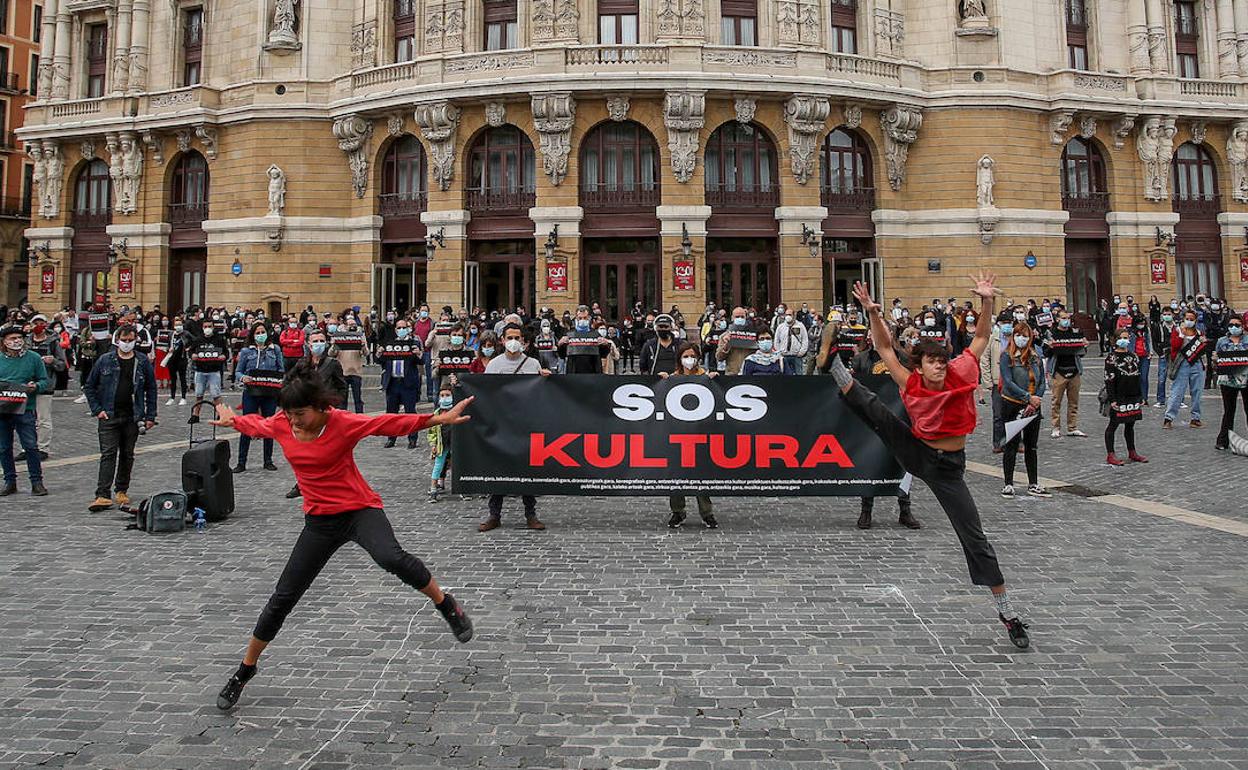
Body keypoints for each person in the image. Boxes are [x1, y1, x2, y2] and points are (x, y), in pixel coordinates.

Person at [209, 370, 475, 712]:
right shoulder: (283, 423)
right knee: (283, 598)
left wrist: (437, 419)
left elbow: (386, 423)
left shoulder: (341, 422)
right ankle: (245, 670)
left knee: (390, 557)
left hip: (359, 511)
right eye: (289, 414)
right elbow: (257, 426)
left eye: (300, 413)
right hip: (320, 521)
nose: (294, 421)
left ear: (319, 407)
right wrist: (233, 420)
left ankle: (446, 604)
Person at [830, 275, 1029, 649]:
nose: (940, 366)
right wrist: (873, 313)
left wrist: (987, 302)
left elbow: (981, 337)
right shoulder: (910, 381)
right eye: (932, 362)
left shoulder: (961, 371)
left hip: (948, 468)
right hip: (918, 451)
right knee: (880, 414)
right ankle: (838, 372)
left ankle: (1008, 613)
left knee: (974, 536)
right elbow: (885, 348)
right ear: (919, 366)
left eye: (942, 361)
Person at [480, 323, 550, 532]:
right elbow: (485, 392)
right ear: (502, 340)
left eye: (517, 338)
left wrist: (547, 380)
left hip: (525, 424)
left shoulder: (533, 364)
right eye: (509, 337)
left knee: (526, 469)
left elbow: (542, 394)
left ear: (523, 341)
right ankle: (494, 514)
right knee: (498, 468)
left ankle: (531, 514)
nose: (513, 341)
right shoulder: (494, 365)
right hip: (501, 424)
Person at [850, 330, 921, 531]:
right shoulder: (861, 360)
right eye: (874, 333)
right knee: (870, 462)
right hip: (872, 416)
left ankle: (905, 509)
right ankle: (866, 509)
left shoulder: (904, 359)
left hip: (900, 416)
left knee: (904, 464)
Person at [83, 324, 159, 511]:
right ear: (117, 340)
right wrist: (97, 409)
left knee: (127, 454)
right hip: (109, 414)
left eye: (130, 340)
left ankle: (121, 490)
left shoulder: (142, 361)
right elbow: (90, 386)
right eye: (124, 340)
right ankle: (102, 494)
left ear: (135, 340)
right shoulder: (105, 360)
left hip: (132, 415)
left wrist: (150, 415)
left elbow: (151, 388)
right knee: (108, 454)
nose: (127, 343)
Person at [659, 342, 717, 529]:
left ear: (698, 358)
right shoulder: (674, 378)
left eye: (692, 356)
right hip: (677, 435)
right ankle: (678, 511)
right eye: (685, 356)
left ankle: (707, 512)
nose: (689, 360)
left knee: (701, 474)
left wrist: (713, 380)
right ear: (680, 359)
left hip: (700, 434)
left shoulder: (704, 377)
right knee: (676, 474)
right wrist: (663, 382)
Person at [999, 321, 1050, 498]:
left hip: (1033, 405)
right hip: (1013, 404)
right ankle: (1008, 483)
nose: (1021, 338)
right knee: (1011, 444)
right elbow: (1008, 381)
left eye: (1025, 335)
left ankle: (1033, 483)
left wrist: (1036, 399)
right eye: (1018, 335)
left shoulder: (1035, 356)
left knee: (1031, 445)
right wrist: (1027, 397)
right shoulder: (1007, 356)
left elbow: (1042, 381)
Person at [0, 325, 48, 497]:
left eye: (19, 338)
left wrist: (36, 386)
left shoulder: (34, 358)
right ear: (4, 342)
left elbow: (44, 381)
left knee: (30, 446)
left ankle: (37, 482)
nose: (17, 341)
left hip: (25, 409)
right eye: (12, 338)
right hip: (3, 410)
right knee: (4, 448)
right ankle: (10, 481)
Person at [233, 322, 285, 473]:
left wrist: (280, 380)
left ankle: (268, 460)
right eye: (257, 332)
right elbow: (238, 371)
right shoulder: (246, 351)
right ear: (253, 335)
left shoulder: (275, 349)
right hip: (251, 392)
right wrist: (243, 378)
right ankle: (241, 462)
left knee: (269, 426)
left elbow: (281, 369)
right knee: (246, 425)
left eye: (263, 332)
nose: (260, 335)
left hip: (269, 392)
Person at [1103, 329, 1148, 466]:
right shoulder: (1111, 358)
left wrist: (1141, 396)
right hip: (1119, 396)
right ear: (1116, 340)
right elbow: (1109, 380)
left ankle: (1132, 451)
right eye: (1122, 338)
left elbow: (1138, 376)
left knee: (1130, 424)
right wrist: (1112, 399)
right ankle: (1110, 454)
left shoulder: (1133, 356)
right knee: (1113, 424)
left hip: (1132, 395)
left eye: (1126, 338)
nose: (1125, 340)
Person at [378, 319, 424, 449]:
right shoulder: (390, 343)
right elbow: (381, 361)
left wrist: (419, 354)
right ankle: (391, 438)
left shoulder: (413, 343)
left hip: (408, 383)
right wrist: (379, 354)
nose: (402, 330)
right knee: (391, 412)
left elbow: (421, 362)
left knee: (410, 412)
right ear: (395, 330)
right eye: (399, 328)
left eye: (404, 327)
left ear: (408, 329)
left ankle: (412, 438)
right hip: (393, 382)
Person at [25, 316, 65, 461]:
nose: (38, 326)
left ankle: (42, 448)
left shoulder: (53, 342)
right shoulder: (26, 341)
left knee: (43, 419)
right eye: (35, 323)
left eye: (41, 323)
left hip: (45, 384)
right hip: (27, 384)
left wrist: (52, 361)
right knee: (26, 419)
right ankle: (27, 447)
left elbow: (62, 364)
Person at [1044, 309, 1087, 439]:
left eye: (1068, 318)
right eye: (1063, 318)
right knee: (1056, 401)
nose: (1066, 321)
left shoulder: (1075, 333)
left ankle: (1072, 427)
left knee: (1074, 401)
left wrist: (1084, 346)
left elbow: (1081, 352)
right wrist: (1050, 347)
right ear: (1057, 319)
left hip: (1074, 370)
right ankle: (1056, 427)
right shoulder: (1052, 333)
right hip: (1059, 371)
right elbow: (1045, 352)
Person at [1164, 309, 1207, 429]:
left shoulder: (1199, 332)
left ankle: (1195, 418)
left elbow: (1203, 350)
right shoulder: (1177, 330)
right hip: (1182, 364)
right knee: (1177, 391)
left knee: (1197, 391)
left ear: (1195, 320)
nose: (1189, 321)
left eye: (1191, 319)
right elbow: (1174, 346)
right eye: (1187, 319)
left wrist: (1204, 343)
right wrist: (1181, 335)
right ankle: (1168, 418)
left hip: (1196, 363)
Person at [1214, 317, 1248, 451]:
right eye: (1231, 324)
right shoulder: (1221, 341)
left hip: (1246, 379)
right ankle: (1223, 440)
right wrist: (1215, 359)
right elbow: (1217, 359)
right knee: (1228, 410)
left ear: (1242, 326)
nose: (1234, 327)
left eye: (1237, 325)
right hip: (1227, 380)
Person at [187, 319, 230, 425]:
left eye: (209, 326)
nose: (207, 329)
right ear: (202, 328)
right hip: (200, 370)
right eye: (205, 327)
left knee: (216, 394)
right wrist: (192, 355)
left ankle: (221, 414)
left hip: (214, 371)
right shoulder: (198, 339)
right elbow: (191, 351)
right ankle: (196, 415)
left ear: (213, 327)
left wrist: (224, 356)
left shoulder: (219, 339)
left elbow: (226, 352)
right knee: (199, 394)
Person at [427, 384, 455, 502]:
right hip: (441, 444)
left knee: (457, 466)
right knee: (438, 465)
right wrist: (433, 444)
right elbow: (432, 431)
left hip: (455, 444)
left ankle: (462, 488)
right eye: (442, 395)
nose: (444, 398)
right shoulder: (437, 413)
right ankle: (433, 489)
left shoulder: (456, 411)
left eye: (447, 395)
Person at [773, 311, 808, 375]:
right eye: (786, 315)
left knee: (798, 374)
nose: (788, 316)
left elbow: (805, 339)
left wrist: (801, 352)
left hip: (797, 356)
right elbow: (776, 340)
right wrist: (779, 352)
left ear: (794, 315)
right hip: (784, 356)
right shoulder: (780, 327)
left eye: (789, 314)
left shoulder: (800, 326)